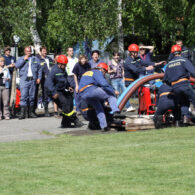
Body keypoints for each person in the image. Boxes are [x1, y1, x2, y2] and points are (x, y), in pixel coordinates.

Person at [78, 62, 120, 131]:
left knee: (98, 107)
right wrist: (113, 90)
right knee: (111, 95)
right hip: (91, 90)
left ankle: (104, 126)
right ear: (102, 69)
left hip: (83, 94)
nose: (104, 75)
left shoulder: (88, 72)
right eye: (105, 72)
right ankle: (116, 112)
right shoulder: (98, 72)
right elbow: (103, 83)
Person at [45, 55, 83, 128]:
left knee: (69, 101)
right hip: (54, 91)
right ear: (59, 64)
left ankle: (65, 123)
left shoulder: (63, 69)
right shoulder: (54, 71)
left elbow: (65, 80)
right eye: (64, 64)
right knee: (65, 105)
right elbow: (48, 83)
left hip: (61, 89)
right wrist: (53, 93)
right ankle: (75, 120)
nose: (65, 66)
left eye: (65, 64)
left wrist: (68, 86)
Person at [164, 44, 195, 123]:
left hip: (175, 87)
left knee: (184, 101)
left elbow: (165, 79)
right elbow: (193, 72)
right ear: (180, 52)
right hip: (184, 84)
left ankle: (186, 117)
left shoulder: (169, 64)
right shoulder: (183, 60)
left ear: (172, 53)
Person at [15, 46, 42, 120]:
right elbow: (17, 65)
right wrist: (24, 59)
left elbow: (40, 69)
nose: (28, 52)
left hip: (32, 80)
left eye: (29, 51)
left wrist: (39, 78)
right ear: (24, 52)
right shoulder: (21, 58)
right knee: (23, 96)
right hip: (24, 80)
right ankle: (22, 114)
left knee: (32, 96)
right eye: (27, 51)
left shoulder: (35, 59)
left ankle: (31, 113)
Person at [36, 46, 54, 117]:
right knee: (44, 94)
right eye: (43, 51)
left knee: (52, 93)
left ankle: (55, 110)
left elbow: (52, 67)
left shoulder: (49, 59)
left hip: (50, 79)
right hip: (43, 79)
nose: (45, 52)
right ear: (40, 52)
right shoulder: (38, 59)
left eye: (46, 51)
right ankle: (46, 110)